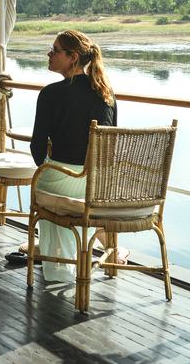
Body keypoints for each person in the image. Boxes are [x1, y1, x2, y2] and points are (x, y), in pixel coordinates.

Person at [26, 29, 118, 283]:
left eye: (55, 50)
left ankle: (58, 259)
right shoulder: (106, 94)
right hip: (97, 183)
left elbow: (37, 147)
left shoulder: (51, 94)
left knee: (44, 181)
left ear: (72, 57)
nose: (49, 54)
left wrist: (49, 165)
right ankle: (88, 246)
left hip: (61, 179)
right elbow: (108, 145)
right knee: (69, 190)